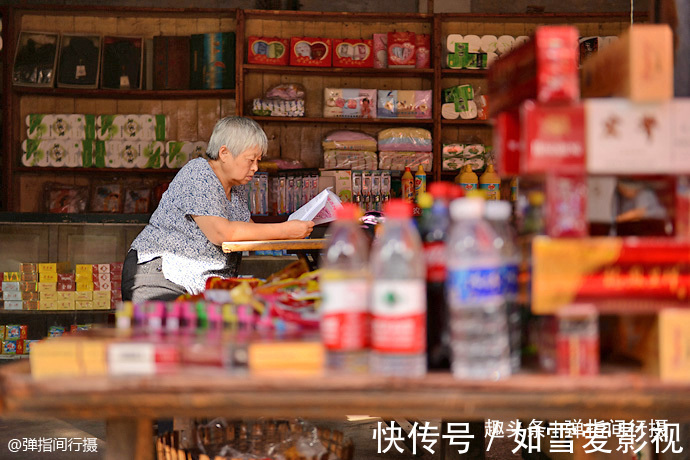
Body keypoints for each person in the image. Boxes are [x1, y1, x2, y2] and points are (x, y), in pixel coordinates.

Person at [122, 116, 314, 303]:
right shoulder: (198, 173)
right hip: (162, 277)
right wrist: (287, 229)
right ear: (224, 153)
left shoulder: (234, 190)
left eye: (258, 160)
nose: (255, 167)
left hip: (196, 285)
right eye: (250, 160)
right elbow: (222, 233)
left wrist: (291, 231)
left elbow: (250, 233)